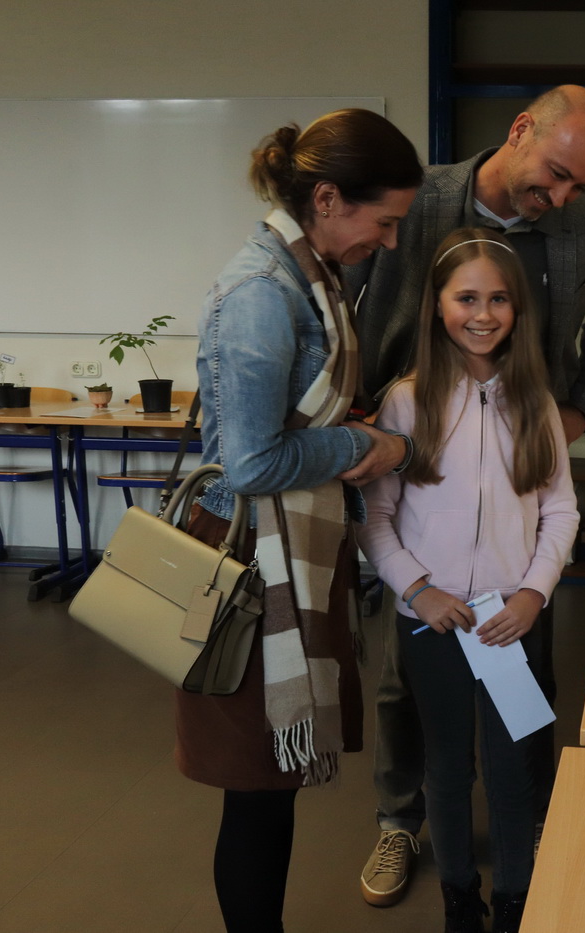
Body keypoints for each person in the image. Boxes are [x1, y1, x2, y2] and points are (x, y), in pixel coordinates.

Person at [345, 84, 585, 907]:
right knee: (409, 697)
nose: (563, 197)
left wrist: (573, 415)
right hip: (413, 457)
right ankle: (400, 822)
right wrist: (365, 419)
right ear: (520, 131)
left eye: (580, 185)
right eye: (557, 175)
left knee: (521, 716)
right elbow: (361, 306)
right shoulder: (418, 198)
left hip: (523, 461)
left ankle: (527, 827)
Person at [175, 108, 422, 933]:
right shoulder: (262, 294)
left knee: (269, 787)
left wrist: (347, 426)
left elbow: (290, 416)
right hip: (249, 562)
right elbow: (250, 464)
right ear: (326, 199)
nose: (390, 240)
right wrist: (364, 445)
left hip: (281, 551)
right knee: (254, 788)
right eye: (384, 221)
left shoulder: (310, 275)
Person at [354, 227, 580, 933]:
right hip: (433, 623)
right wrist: (417, 589)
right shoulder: (405, 402)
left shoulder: (536, 402)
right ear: (437, 304)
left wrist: (533, 593)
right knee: (447, 769)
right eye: (467, 298)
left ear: (519, 310)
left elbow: (561, 510)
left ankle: (513, 900)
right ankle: (460, 901)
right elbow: (375, 516)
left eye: (499, 299)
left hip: (509, 623)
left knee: (515, 769)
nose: (483, 314)